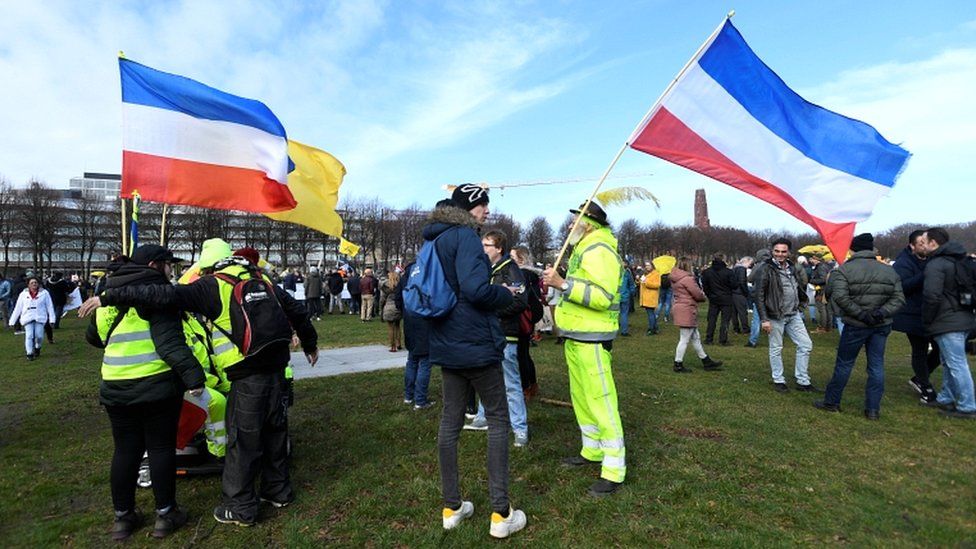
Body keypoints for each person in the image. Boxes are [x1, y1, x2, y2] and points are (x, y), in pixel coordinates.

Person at [79, 237, 319, 527]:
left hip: (245, 372)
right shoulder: (260, 278)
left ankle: (240, 507)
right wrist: (310, 344)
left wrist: (106, 297)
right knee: (275, 432)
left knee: (242, 440)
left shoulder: (212, 285)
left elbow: (162, 296)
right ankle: (278, 491)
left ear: (206, 267)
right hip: (278, 368)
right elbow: (296, 310)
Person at [421, 189, 526, 538]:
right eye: (484, 207)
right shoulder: (465, 237)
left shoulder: (434, 239)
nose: (486, 214)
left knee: (450, 422)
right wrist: (504, 294)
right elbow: (476, 290)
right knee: (498, 419)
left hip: (446, 340)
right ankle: (501, 513)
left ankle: (452, 507)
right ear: (470, 208)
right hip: (475, 343)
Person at [84, 245, 207, 541]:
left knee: (125, 450)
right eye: (168, 265)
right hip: (155, 384)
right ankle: (166, 514)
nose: (170, 271)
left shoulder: (109, 293)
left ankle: (123, 518)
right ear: (155, 265)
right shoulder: (156, 295)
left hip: (115, 384)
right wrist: (194, 377)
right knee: (161, 449)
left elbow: (94, 337)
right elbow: (170, 343)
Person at [543, 201, 626, 497]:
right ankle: (591, 451)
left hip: (593, 339)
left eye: (573, 220)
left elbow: (602, 297)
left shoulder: (599, 250)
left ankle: (614, 470)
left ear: (588, 223)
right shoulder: (585, 248)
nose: (568, 226)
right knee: (582, 399)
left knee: (601, 402)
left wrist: (563, 285)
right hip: (577, 337)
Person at [815, 234, 905, 419]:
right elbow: (898, 299)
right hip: (880, 324)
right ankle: (872, 409)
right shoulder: (888, 270)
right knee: (876, 366)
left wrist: (862, 314)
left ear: (853, 249)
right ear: (872, 249)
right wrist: (881, 313)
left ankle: (832, 401)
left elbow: (839, 296)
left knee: (844, 364)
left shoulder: (844, 270)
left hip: (857, 324)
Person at [464, 230, 530, 448]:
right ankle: (483, 417)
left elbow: (520, 301)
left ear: (498, 248)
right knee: (487, 379)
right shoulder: (486, 269)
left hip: (505, 334)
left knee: (510, 383)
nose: (482, 249)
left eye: (486, 245)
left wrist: (491, 309)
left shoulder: (511, 270)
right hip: (487, 334)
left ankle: (520, 429)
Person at [920, 227, 976, 419]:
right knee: (949, 362)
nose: (923, 246)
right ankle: (946, 397)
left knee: (956, 363)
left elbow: (931, 296)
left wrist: (927, 319)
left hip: (948, 320)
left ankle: (968, 405)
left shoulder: (937, 264)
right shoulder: (960, 260)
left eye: (924, 242)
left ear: (933, 243)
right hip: (965, 318)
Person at [756, 238, 820, 393]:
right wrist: (764, 319)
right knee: (776, 348)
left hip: (793, 314)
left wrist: (800, 302)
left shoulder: (791, 267)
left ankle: (803, 381)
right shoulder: (766, 268)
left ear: (789, 252)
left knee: (805, 345)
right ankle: (778, 380)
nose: (780, 254)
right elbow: (759, 295)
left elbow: (798, 285)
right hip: (775, 315)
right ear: (772, 251)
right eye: (777, 251)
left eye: (783, 251)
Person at [892, 230, 941, 403]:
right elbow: (903, 287)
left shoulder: (932, 259)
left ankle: (919, 378)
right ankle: (925, 387)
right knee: (919, 349)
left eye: (926, 242)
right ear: (912, 246)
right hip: (911, 314)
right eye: (921, 243)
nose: (925, 246)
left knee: (940, 348)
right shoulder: (902, 263)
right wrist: (925, 274)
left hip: (931, 312)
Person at [670, 257, 724, 373]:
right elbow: (697, 294)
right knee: (684, 338)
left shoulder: (675, 278)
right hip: (687, 309)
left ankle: (706, 360)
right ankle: (678, 363)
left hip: (680, 306)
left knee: (695, 337)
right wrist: (703, 295)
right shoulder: (687, 279)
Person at [398, 261, 434, 410]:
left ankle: (409, 395)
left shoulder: (405, 278)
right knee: (425, 362)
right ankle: (420, 400)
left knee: (412, 360)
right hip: (424, 322)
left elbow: (398, 300)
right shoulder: (428, 277)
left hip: (409, 321)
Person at [510, 245, 541, 400]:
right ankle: (532, 384)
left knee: (521, 354)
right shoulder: (531, 274)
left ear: (520, 259)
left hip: (523, 317)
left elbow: (517, 293)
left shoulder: (522, 274)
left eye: (512, 257)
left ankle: (525, 387)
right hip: (529, 316)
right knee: (524, 352)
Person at [8, 275, 55, 360]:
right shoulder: (23, 294)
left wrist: (52, 319)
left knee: (39, 335)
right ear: (28, 285)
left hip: (40, 317)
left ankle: (37, 347)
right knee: (29, 335)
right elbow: (18, 308)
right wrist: (12, 321)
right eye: (32, 283)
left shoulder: (44, 293)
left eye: (35, 283)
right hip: (27, 317)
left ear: (38, 284)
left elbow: (50, 306)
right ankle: (29, 353)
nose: (34, 284)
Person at [701, 255, 735, 345]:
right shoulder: (729, 272)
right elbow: (734, 285)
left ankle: (709, 338)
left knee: (711, 319)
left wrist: (709, 295)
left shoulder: (707, 272)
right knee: (725, 320)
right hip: (726, 298)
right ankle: (723, 340)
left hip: (713, 298)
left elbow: (705, 286)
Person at [746, 250, 770, 348]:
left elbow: (750, 279)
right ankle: (775, 340)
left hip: (760, 294)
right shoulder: (774, 265)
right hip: (772, 296)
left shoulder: (759, 266)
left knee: (756, 319)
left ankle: (752, 341)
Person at [808, 255, 833, 333]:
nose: (810, 260)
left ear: (816, 259)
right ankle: (828, 327)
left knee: (822, 309)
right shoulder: (826, 266)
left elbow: (823, 279)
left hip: (821, 290)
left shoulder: (820, 267)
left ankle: (822, 328)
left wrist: (811, 281)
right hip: (826, 290)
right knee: (827, 309)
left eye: (812, 259)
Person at [380, 271, 403, 352]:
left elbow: (382, 299)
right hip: (398, 307)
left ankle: (393, 346)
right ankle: (399, 343)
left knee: (390, 328)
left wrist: (381, 308)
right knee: (398, 326)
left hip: (388, 307)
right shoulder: (400, 285)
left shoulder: (385, 287)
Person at [639, 263, 661, 336]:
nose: (647, 267)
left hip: (651, 297)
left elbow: (657, 285)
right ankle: (655, 328)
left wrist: (646, 282)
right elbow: (641, 283)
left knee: (650, 313)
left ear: (652, 266)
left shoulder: (656, 274)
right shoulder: (645, 274)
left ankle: (651, 329)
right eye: (646, 265)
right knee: (651, 313)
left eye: (649, 265)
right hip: (646, 297)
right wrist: (638, 280)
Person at [731, 258, 751, 334]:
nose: (749, 265)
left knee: (734, 313)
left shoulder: (734, 268)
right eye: (749, 263)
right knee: (742, 312)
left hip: (732, 293)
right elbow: (742, 281)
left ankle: (736, 329)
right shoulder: (742, 269)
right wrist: (746, 292)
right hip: (740, 293)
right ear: (745, 262)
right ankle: (745, 329)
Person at [617, 262, 637, 336]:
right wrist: (632, 293)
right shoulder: (627, 273)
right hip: (625, 295)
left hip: (615, 296)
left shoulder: (613, 271)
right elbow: (631, 284)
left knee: (614, 314)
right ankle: (624, 331)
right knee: (624, 314)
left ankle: (612, 329)